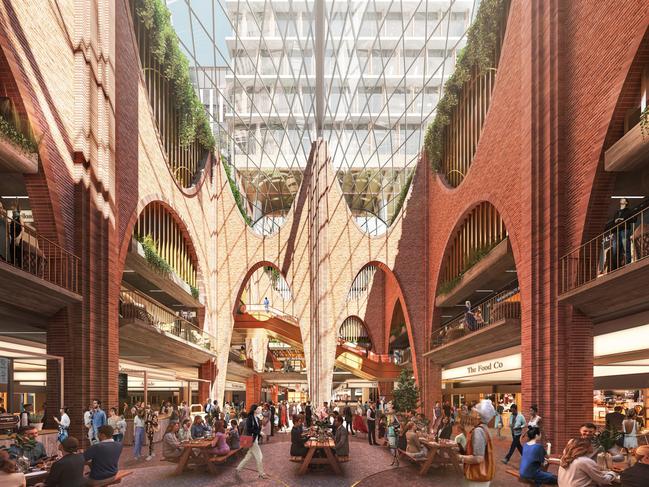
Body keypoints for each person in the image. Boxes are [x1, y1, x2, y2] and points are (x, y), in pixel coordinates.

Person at [459, 400, 497, 487]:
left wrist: (460, 457)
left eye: (475, 408)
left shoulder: (478, 431)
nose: (472, 409)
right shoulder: (483, 428)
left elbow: (478, 458)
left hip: (477, 478)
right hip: (480, 479)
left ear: (479, 415)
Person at [236, 404, 269, 479]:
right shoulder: (250, 418)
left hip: (255, 439)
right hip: (252, 440)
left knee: (248, 456)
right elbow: (249, 429)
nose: (259, 409)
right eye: (258, 408)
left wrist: (261, 428)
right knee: (259, 457)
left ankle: (238, 468)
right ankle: (261, 473)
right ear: (254, 410)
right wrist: (259, 432)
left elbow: (257, 428)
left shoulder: (256, 418)